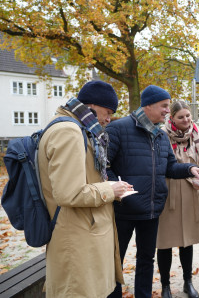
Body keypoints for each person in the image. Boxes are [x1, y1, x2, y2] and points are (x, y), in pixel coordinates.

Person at [106, 85, 199, 298]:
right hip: (123, 210)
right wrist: (117, 188)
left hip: (151, 211)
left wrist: (190, 168)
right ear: (148, 105)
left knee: (146, 260)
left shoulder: (160, 137)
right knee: (115, 260)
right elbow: (103, 166)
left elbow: (169, 167)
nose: (167, 111)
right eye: (164, 106)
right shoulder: (118, 129)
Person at [38, 80, 133, 297]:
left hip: (84, 233)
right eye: (107, 112)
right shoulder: (69, 131)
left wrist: (111, 187)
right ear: (91, 105)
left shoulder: (78, 128)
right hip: (77, 239)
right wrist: (111, 189)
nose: (108, 119)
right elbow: (68, 193)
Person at [157, 101, 199, 298]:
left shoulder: (196, 133)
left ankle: (188, 281)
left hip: (190, 191)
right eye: (181, 117)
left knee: (187, 241)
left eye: (188, 115)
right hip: (168, 191)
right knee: (164, 242)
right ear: (172, 118)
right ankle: (165, 286)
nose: (186, 120)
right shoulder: (161, 134)